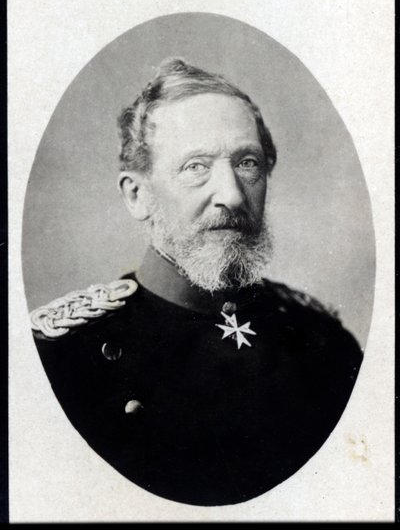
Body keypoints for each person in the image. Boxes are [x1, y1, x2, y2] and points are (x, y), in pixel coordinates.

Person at [30, 58, 363, 506]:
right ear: (137, 195)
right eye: (196, 167)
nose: (231, 195)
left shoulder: (324, 344)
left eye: (247, 163)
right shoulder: (61, 358)